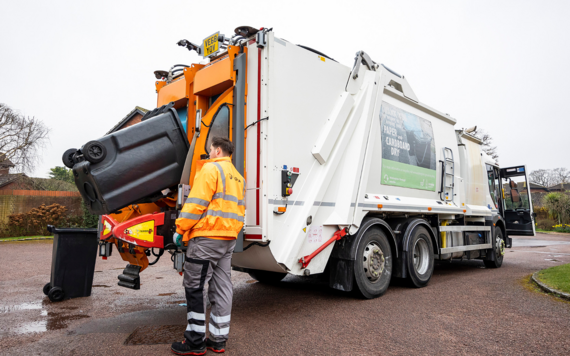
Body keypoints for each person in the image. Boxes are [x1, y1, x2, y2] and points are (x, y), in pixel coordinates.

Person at [171, 137, 245, 355]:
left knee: (195, 285)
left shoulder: (211, 169)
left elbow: (196, 203)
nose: (209, 153)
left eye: (211, 150)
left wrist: (180, 228)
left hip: (206, 238)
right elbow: (239, 210)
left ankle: (195, 341)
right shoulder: (238, 177)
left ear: (218, 151)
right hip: (228, 238)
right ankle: (218, 339)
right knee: (222, 286)